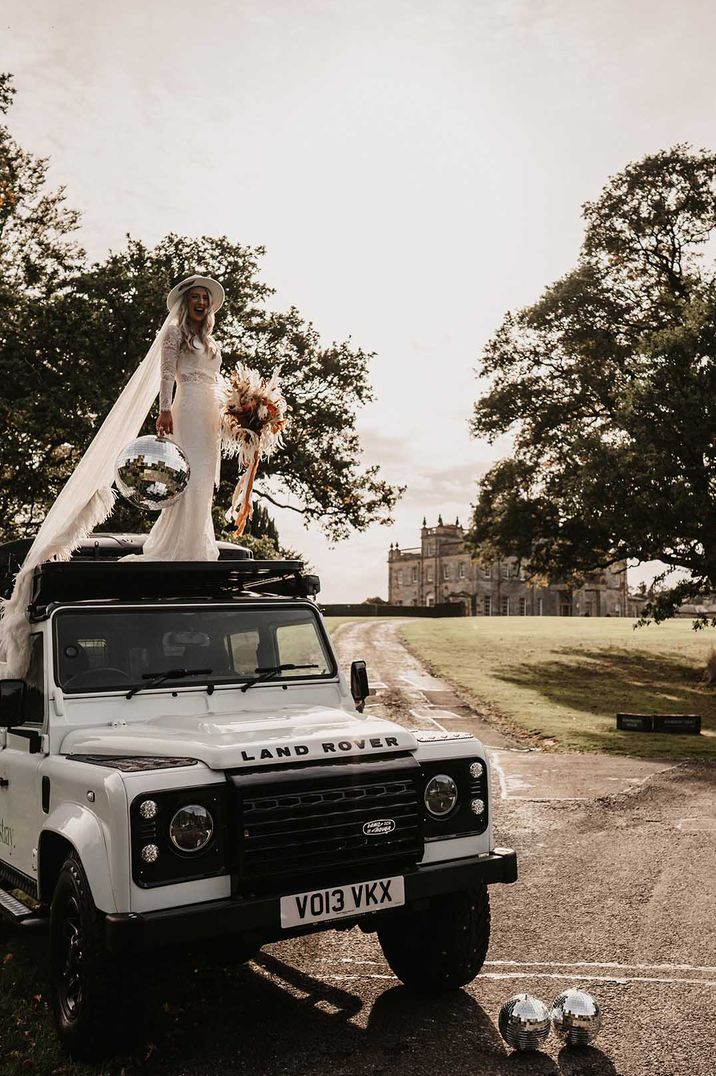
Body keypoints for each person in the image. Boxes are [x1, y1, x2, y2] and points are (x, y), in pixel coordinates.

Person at [124, 274, 225, 561]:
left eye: (205, 298)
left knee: (205, 480)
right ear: (186, 301)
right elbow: (167, 373)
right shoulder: (174, 333)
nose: (202, 302)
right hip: (188, 408)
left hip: (211, 415)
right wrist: (165, 409)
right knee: (188, 477)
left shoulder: (210, 341)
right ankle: (181, 550)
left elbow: (216, 381)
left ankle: (197, 546)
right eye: (196, 297)